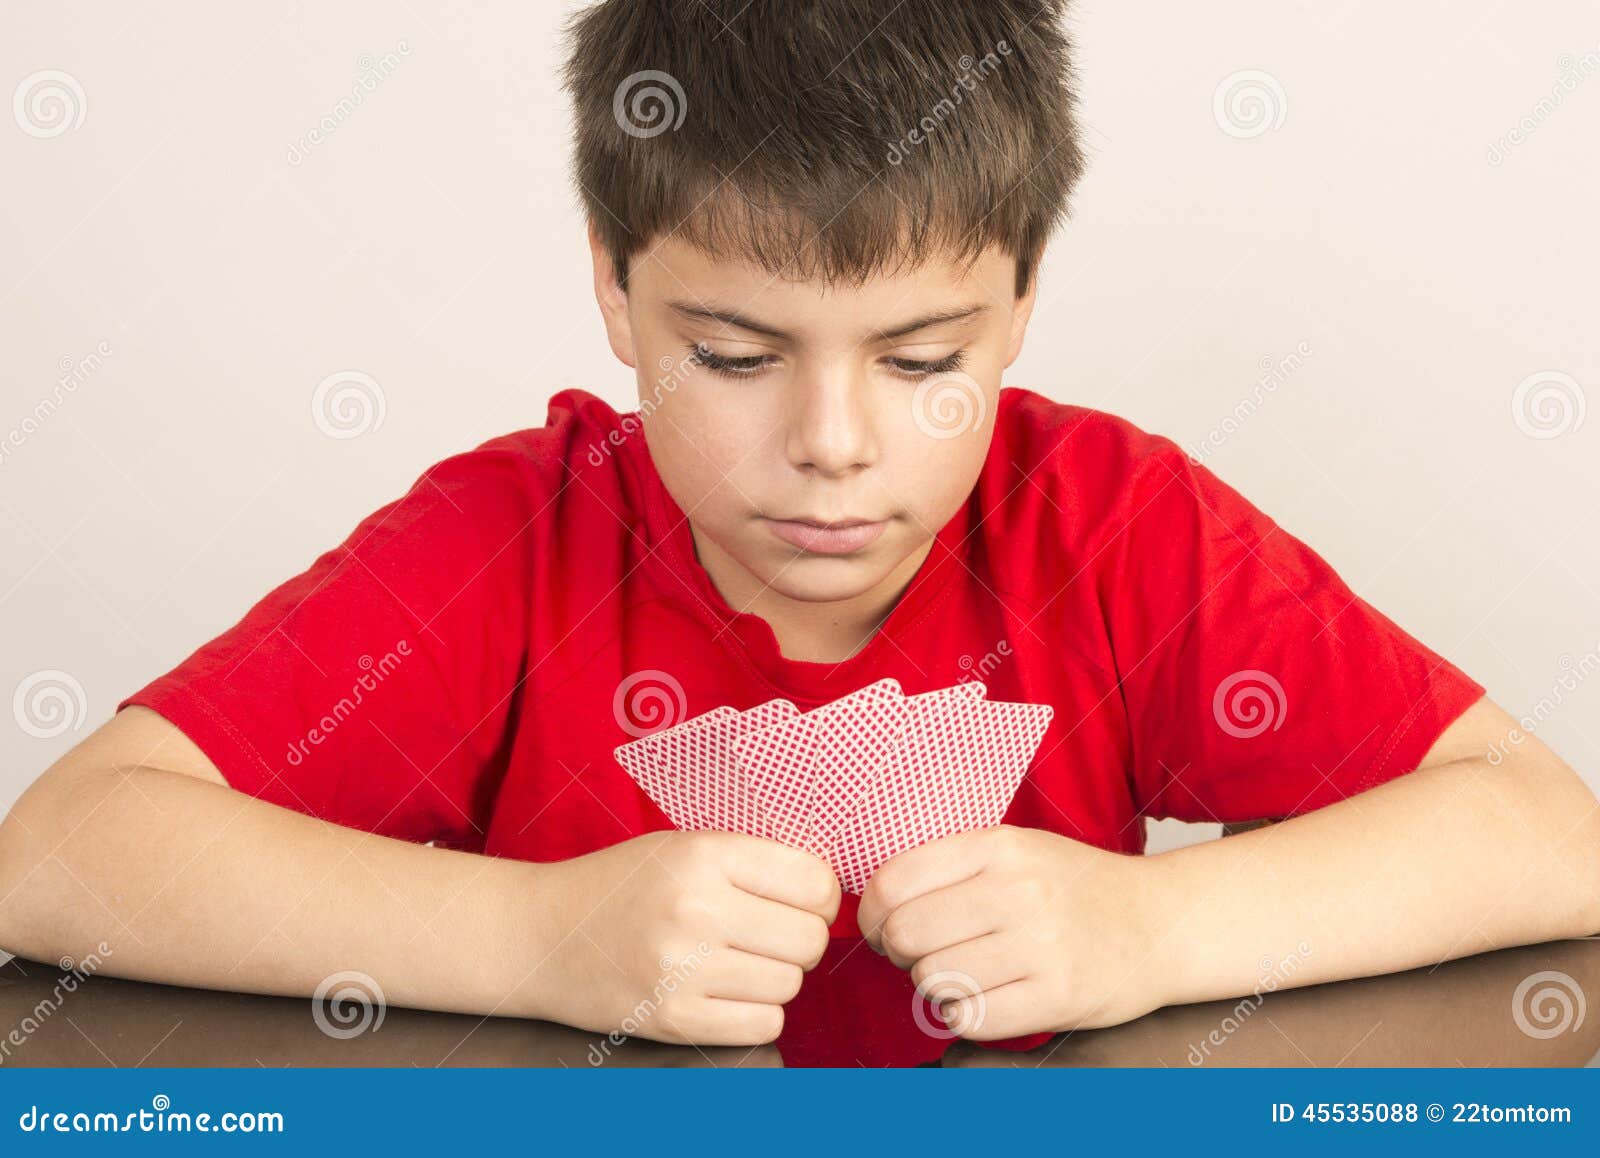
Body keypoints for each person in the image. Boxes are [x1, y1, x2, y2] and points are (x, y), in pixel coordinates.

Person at [2, 0, 1596, 1068]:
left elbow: (1546, 833)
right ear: (616, 289)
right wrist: (537, 936)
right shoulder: (515, 541)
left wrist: (1158, 925)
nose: (833, 447)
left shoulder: (1108, 530)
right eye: (737, 356)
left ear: (1022, 303)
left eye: (922, 363)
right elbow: (60, 858)